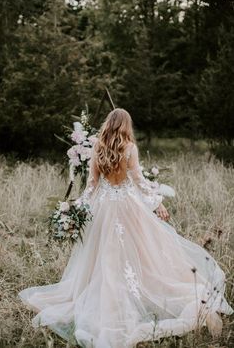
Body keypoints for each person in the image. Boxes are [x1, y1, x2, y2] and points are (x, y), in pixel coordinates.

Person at [19, 108, 233, 348]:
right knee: (143, 251)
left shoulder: (97, 148)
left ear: (107, 124)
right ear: (126, 126)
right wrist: (157, 202)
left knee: (106, 253)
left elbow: (91, 187)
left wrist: (75, 207)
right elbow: (140, 182)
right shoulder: (130, 148)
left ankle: (110, 292)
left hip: (104, 207)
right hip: (128, 206)